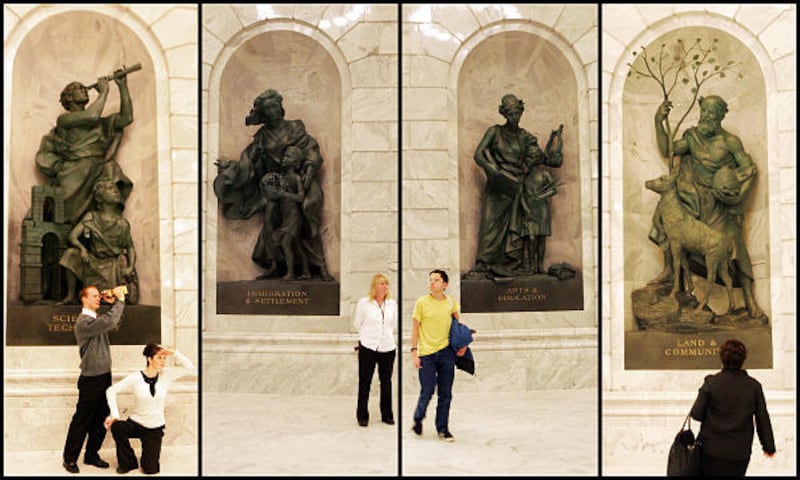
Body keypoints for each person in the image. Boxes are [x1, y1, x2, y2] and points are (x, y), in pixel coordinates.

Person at [652, 96, 765, 321]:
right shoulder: (692, 137)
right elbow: (669, 151)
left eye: (711, 113)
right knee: (668, 218)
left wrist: (736, 197)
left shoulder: (731, 142)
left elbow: (749, 170)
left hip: (722, 204)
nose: (706, 117)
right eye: (704, 112)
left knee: (735, 244)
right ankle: (670, 271)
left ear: (721, 115)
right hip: (696, 201)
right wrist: (658, 121)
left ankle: (749, 299)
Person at [214, 89, 332, 281]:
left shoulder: (295, 127)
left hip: (298, 181)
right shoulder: (261, 137)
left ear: (280, 107)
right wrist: (231, 167)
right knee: (271, 224)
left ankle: (319, 265)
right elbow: (248, 162)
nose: (272, 111)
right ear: (262, 113)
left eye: (274, 106)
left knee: (305, 218)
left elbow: (310, 148)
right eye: (267, 109)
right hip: (275, 185)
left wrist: (309, 171)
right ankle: (277, 266)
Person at [471, 94, 562, 277]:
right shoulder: (494, 131)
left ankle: (512, 264)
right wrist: (492, 168)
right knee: (490, 226)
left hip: (516, 187)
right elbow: (479, 154)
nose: (515, 118)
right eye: (511, 114)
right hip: (497, 186)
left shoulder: (525, 136)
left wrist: (555, 143)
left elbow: (542, 158)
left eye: (517, 113)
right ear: (504, 114)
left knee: (515, 232)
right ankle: (484, 264)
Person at [35, 71, 134, 226]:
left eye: (83, 88)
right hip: (76, 171)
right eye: (78, 88)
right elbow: (92, 116)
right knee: (64, 215)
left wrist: (122, 86)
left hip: (98, 170)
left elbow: (126, 118)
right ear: (68, 97)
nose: (84, 90)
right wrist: (104, 92)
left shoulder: (99, 124)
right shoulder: (64, 119)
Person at [62, 285, 127, 474]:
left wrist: (114, 303)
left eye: (99, 295)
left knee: (100, 419)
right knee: (81, 420)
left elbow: (115, 320)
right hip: (90, 380)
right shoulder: (84, 322)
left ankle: (91, 455)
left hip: (104, 377)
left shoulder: (96, 319)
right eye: (94, 296)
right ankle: (70, 459)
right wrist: (119, 301)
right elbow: (110, 320)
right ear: (84, 299)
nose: (98, 298)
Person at [690, 339, 775, 476]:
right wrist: (769, 447)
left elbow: (696, 414)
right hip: (739, 453)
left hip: (711, 451)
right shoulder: (754, 386)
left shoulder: (712, 383)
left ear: (722, 358)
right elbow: (762, 419)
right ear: (743, 359)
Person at [105, 343, 194, 474]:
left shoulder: (167, 375)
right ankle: (128, 462)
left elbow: (190, 367)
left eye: (164, 358)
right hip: (136, 423)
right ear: (149, 359)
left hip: (155, 428)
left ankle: (147, 457)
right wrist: (115, 416)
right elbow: (111, 391)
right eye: (159, 357)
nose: (163, 361)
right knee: (117, 426)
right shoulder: (135, 377)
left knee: (151, 469)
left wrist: (174, 353)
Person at [58, 178, 137, 305]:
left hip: (112, 265)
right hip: (92, 261)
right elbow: (72, 236)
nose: (115, 191)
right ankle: (70, 295)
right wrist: (82, 249)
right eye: (110, 189)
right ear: (100, 198)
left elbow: (130, 248)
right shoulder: (91, 217)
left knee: (108, 297)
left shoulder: (122, 223)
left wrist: (130, 267)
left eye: (116, 189)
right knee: (70, 254)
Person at [410, 269, 467, 442]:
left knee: (446, 393)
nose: (432, 283)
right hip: (427, 354)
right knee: (427, 390)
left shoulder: (451, 302)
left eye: (436, 280)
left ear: (445, 284)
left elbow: (459, 326)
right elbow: (415, 328)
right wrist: (414, 351)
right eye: (430, 280)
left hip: (446, 353)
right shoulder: (422, 303)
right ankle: (418, 419)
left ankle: (442, 428)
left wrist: (463, 345)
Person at [249, 146, 310, 281]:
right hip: (284, 216)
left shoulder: (296, 178)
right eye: (284, 156)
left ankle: (290, 273)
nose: (284, 158)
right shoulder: (281, 178)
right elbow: (274, 194)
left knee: (286, 243)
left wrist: (284, 194)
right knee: (297, 245)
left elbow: (300, 197)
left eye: (288, 157)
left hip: (294, 217)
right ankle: (306, 271)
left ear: (295, 162)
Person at [353, 273, 397, 427]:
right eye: (381, 284)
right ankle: (362, 416)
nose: (384, 286)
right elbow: (358, 323)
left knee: (386, 382)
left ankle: (387, 414)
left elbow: (392, 325)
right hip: (368, 346)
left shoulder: (392, 303)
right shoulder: (364, 303)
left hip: (387, 347)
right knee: (365, 381)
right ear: (374, 286)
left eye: (386, 283)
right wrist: (367, 336)